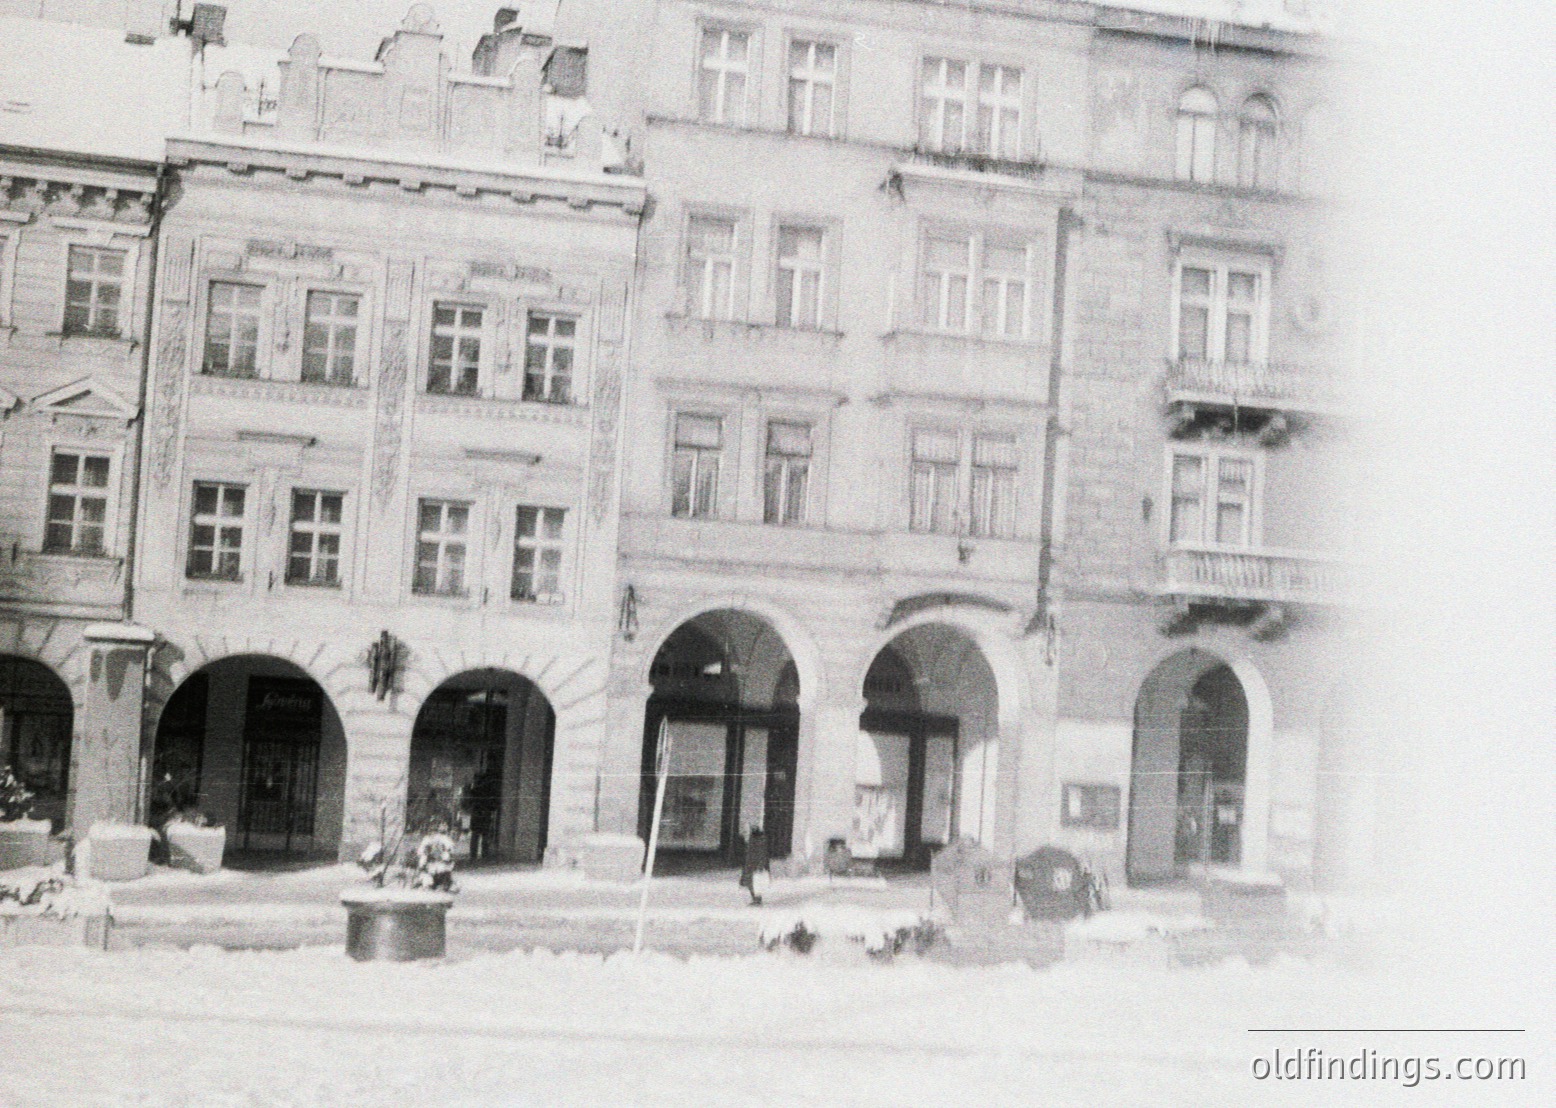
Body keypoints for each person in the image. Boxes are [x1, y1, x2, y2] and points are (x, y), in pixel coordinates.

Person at [738, 826, 769, 906]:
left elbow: (758, 855)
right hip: (752, 866)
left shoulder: (755, 842)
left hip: (752, 867)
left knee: (754, 883)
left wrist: (760, 866)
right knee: (755, 883)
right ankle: (756, 899)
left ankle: (756, 900)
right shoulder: (760, 841)